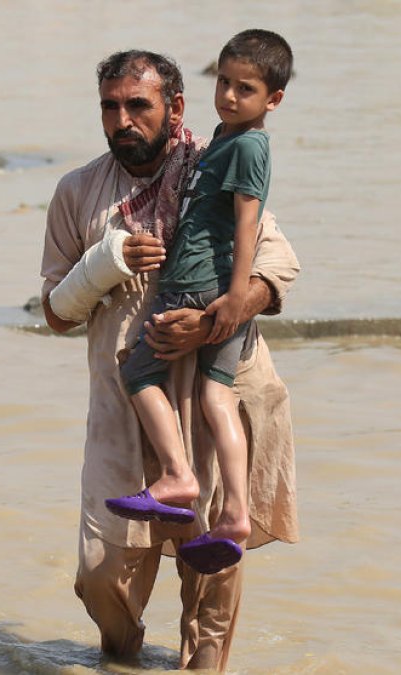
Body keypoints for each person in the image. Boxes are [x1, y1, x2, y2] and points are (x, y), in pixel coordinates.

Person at [38, 48, 299, 671]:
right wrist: (106, 263)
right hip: (125, 404)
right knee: (102, 577)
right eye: (110, 106)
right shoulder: (77, 192)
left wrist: (209, 322)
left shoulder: (216, 166)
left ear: (175, 107)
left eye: (138, 105)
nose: (122, 119)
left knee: (211, 589)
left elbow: (276, 267)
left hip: (213, 402)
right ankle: (121, 660)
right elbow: (53, 312)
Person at [108, 29, 294, 578]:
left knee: (139, 373)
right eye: (225, 82)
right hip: (210, 286)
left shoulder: (248, 145)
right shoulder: (225, 138)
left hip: (197, 285)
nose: (230, 97)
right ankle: (234, 513)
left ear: (273, 100)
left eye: (246, 89)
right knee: (217, 399)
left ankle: (177, 476)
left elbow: (248, 223)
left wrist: (238, 296)